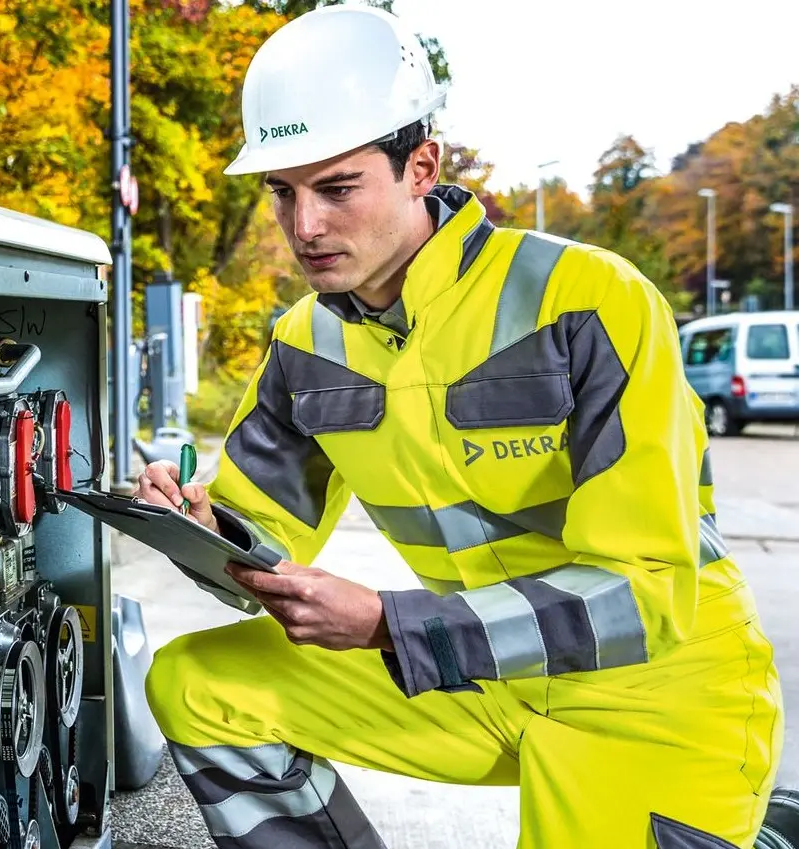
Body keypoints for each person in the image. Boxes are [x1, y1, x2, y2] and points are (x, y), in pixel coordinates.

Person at [135, 6, 785, 848]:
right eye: (283, 193)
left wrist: (387, 623)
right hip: (478, 677)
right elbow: (256, 540)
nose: (305, 227)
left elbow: (648, 594)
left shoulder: (586, 301)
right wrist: (199, 527)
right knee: (196, 682)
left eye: (335, 188)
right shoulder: (305, 342)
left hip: (652, 693)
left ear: (421, 166)